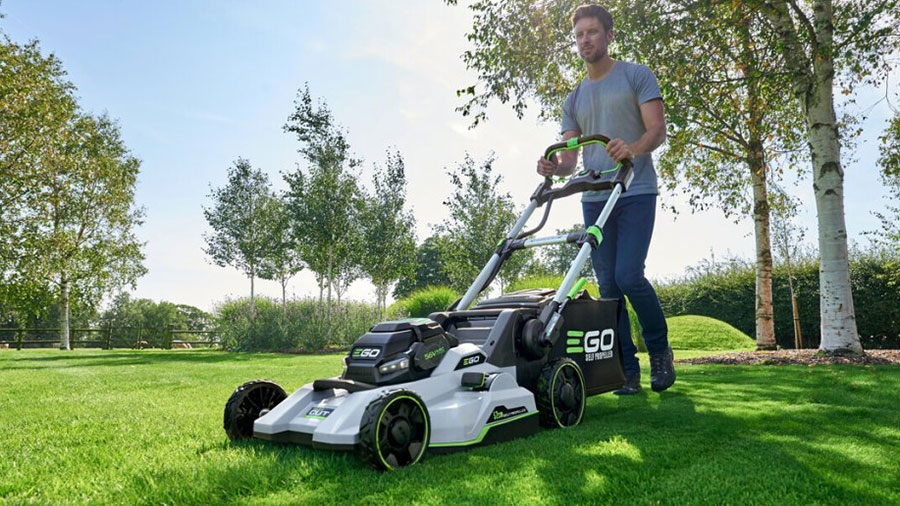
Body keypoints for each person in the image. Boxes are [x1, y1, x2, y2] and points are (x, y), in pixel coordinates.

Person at [536, 4, 674, 394]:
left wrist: (631, 148)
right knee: (609, 288)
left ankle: (660, 352)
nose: (585, 40)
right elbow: (568, 160)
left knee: (629, 275)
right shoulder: (574, 99)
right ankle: (626, 371)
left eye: (592, 32)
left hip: (634, 189)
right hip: (596, 197)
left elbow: (657, 130)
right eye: (579, 35)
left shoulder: (636, 75)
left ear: (609, 35)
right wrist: (553, 166)